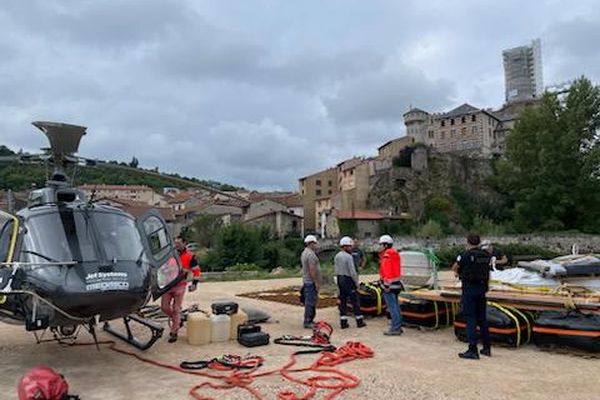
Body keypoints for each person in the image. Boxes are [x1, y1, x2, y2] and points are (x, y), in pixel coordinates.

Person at [452, 234, 492, 359]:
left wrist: (459, 272)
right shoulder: (486, 255)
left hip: (469, 289)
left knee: (470, 319)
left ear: (468, 242)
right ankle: (486, 348)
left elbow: (455, 267)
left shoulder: (465, 255)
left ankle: (472, 349)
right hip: (482, 289)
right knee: (482, 319)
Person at [160, 236, 201, 343]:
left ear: (184, 243)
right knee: (164, 307)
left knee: (176, 309)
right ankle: (177, 320)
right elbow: (163, 267)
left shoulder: (191, 256)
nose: (176, 245)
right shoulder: (170, 255)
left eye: (178, 243)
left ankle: (174, 332)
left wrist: (194, 284)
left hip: (180, 285)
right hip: (168, 285)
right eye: (175, 243)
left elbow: (196, 271)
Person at [335, 236, 366, 329]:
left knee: (343, 301)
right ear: (344, 246)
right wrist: (356, 284)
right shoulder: (349, 257)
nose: (351, 248)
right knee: (355, 301)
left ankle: (343, 322)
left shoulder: (337, 256)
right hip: (348, 280)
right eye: (349, 246)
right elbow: (352, 272)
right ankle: (359, 321)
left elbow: (336, 270)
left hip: (340, 279)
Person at [379, 234, 403, 336]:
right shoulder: (395, 253)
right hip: (396, 284)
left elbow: (387, 272)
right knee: (396, 307)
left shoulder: (387, 255)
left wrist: (386, 286)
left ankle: (395, 328)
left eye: (381, 244)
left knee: (392, 307)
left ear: (385, 245)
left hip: (390, 286)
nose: (380, 246)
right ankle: (398, 326)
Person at [301, 234, 321, 329]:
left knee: (309, 301)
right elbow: (312, 270)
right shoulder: (311, 255)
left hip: (307, 281)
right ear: (311, 243)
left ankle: (310, 320)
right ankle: (308, 321)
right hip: (310, 282)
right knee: (310, 302)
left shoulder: (305, 253)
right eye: (315, 243)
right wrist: (316, 282)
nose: (316, 245)